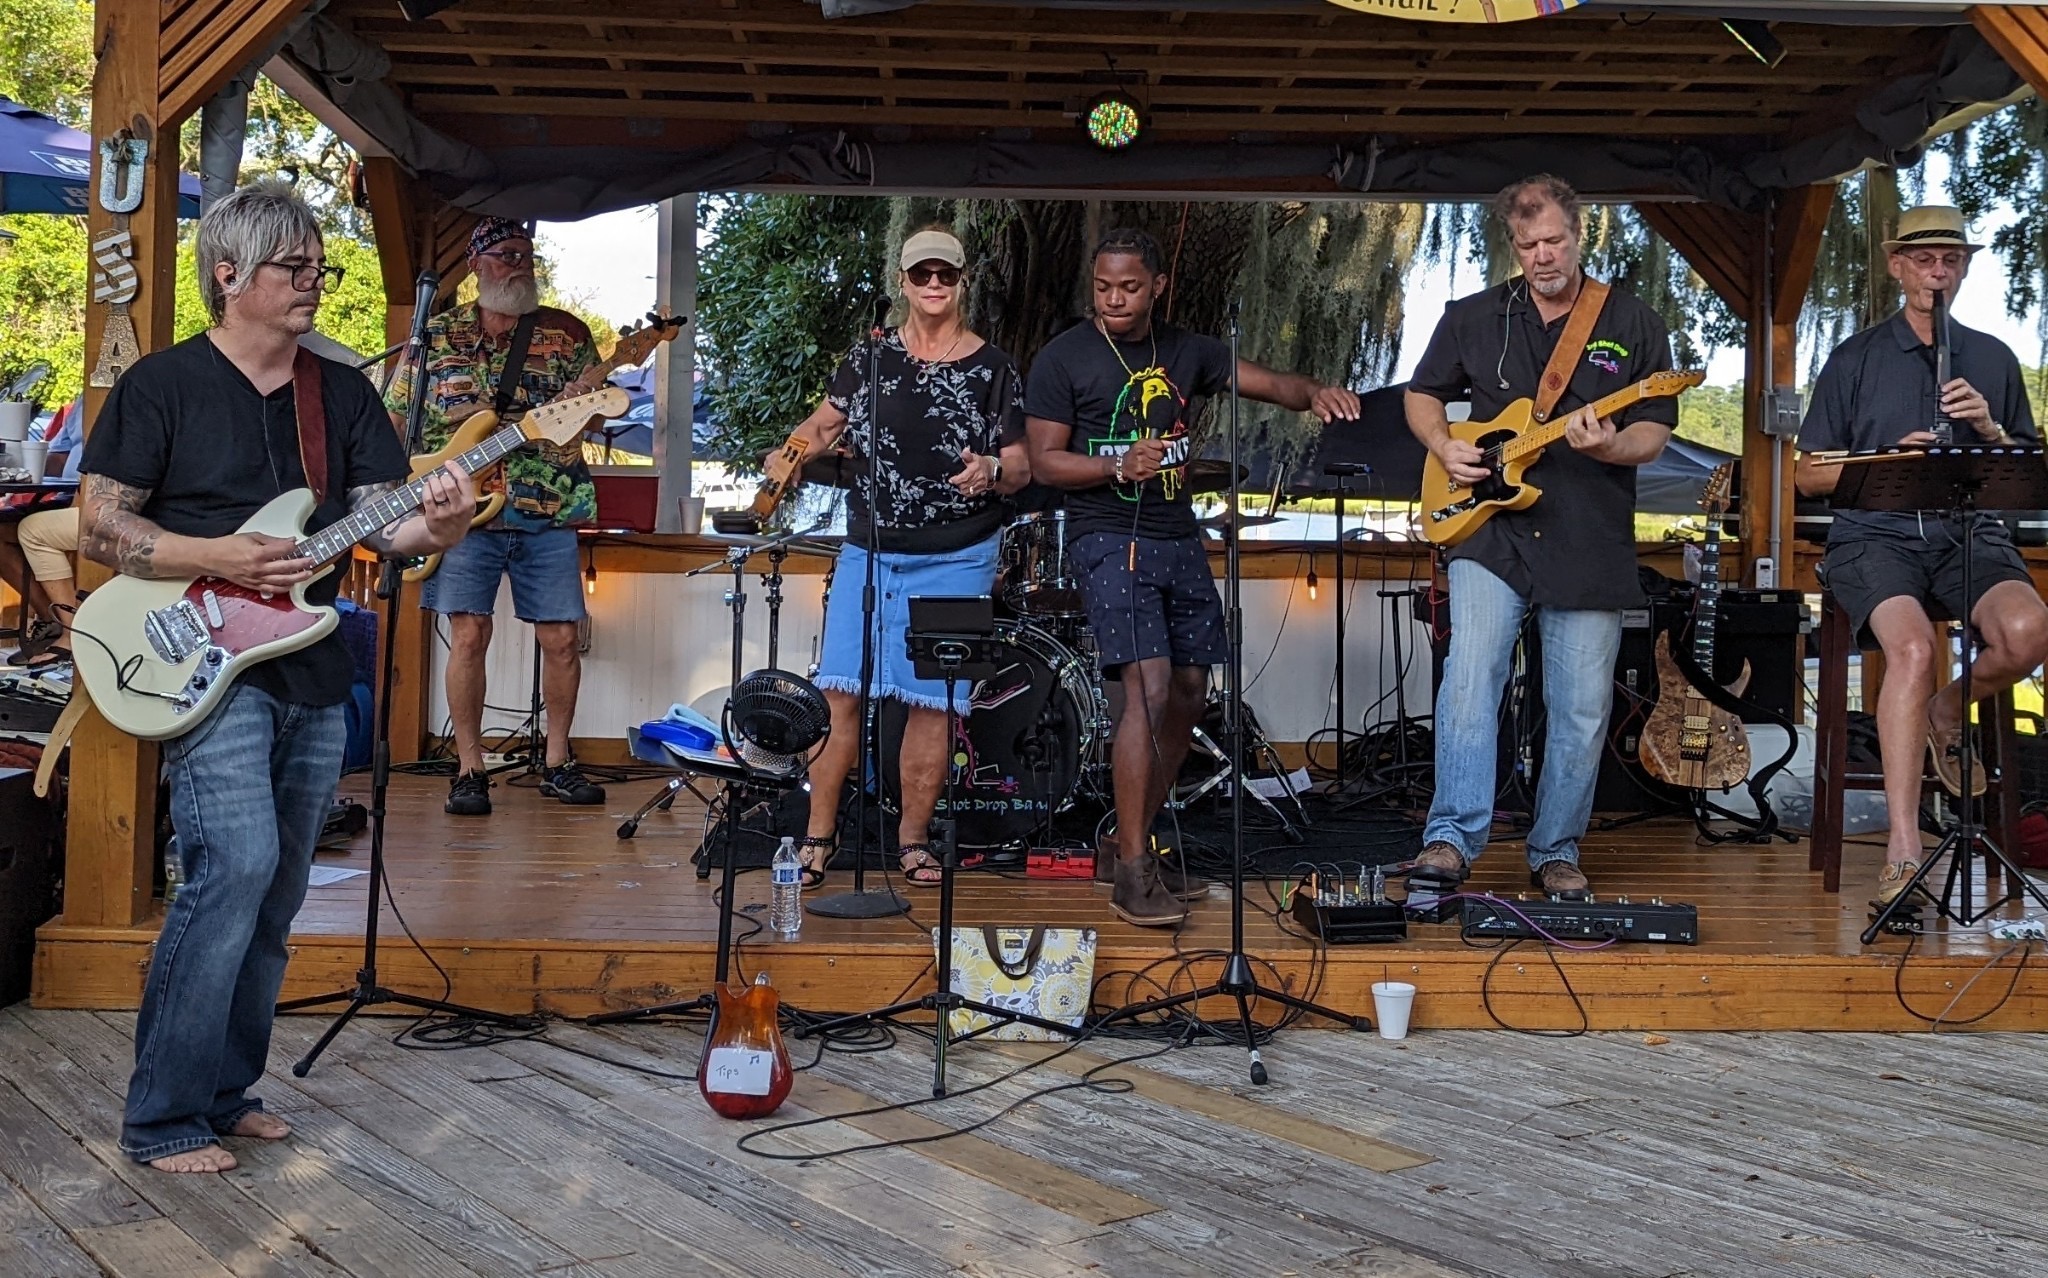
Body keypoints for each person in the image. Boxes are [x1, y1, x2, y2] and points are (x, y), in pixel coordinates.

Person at [78, 181, 475, 1173]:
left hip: (308, 664)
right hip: (199, 658)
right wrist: (210, 555)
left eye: (317, 268)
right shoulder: (161, 385)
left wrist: (448, 522)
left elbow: (391, 521)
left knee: (280, 889)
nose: (313, 285)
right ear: (229, 273)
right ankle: (161, 1115)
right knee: (233, 868)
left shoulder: (337, 393)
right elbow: (99, 523)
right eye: (294, 269)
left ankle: (222, 1090)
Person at [1026, 228, 1358, 927]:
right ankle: (1134, 869)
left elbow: (1271, 383)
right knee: (1144, 688)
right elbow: (1045, 463)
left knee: (1187, 688)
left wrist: (1317, 392)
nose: (1115, 300)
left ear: (1157, 287)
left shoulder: (1190, 351)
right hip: (1107, 537)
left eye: (1130, 287)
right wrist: (1118, 467)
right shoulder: (1065, 357)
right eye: (1104, 288)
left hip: (1176, 534)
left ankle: (1128, 839)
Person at [1405, 174, 1678, 901]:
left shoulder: (1633, 319)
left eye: (1554, 240)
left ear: (1580, 235)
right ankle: (1449, 839)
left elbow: (1653, 431)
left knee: (1582, 704)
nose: (1542, 255)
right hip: (1490, 526)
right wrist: (1442, 447)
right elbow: (1422, 393)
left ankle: (1556, 847)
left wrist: (1609, 448)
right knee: (1469, 681)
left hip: (1589, 535)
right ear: (1513, 246)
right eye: (1528, 245)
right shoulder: (1473, 315)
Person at [1794, 205, 2048, 905]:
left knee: (2030, 631)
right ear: (1897, 265)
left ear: (1964, 267)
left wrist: (1990, 429)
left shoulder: (1992, 357)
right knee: (1910, 649)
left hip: (1967, 534)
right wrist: (1885, 459)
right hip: (1875, 534)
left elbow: (2027, 468)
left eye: (1951, 260)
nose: (1938, 272)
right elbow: (1806, 472)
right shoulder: (1855, 357)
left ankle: (1946, 713)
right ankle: (1905, 851)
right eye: (1924, 259)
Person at [784, 227, 1030, 887]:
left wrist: (991, 468)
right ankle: (817, 839)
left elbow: (1023, 462)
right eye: (921, 275)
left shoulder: (994, 366)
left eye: (944, 276)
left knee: (937, 703)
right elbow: (820, 426)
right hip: (871, 549)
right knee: (838, 693)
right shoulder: (867, 359)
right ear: (903, 281)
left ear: (960, 282)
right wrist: (788, 454)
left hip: (960, 553)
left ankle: (913, 842)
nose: (932, 286)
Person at [385, 217, 608, 815]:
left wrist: (579, 410)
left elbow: (597, 420)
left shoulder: (565, 335)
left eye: (527, 255)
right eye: (507, 255)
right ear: (477, 263)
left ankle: (557, 761)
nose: (521, 265)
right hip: (459, 510)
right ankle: (469, 767)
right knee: (468, 634)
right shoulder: (434, 336)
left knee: (561, 639)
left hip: (546, 505)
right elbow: (396, 419)